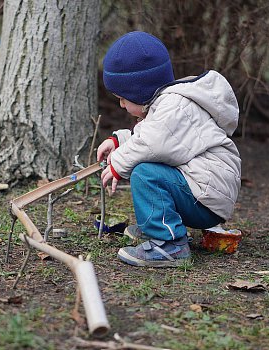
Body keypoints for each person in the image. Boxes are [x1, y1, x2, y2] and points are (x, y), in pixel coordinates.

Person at [97, 31, 241, 267]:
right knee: (145, 166)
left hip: (206, 196)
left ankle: (169, 244)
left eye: (123, 98)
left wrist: (117, 164)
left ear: (139, 90)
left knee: (145, 173)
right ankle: (161, 228)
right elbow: (148, 137)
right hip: (202, 190)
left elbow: (151, 144)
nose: (121, 104)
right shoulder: (166, 106)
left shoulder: (174, 106)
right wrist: (119, 142)